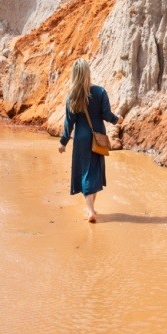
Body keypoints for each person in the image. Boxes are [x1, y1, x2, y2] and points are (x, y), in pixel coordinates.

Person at [58, 58, 122, 222]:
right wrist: (117, 120)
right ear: (88, 72)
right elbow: (106, 115)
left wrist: (63, 142)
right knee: (93, 172)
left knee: (86, 172)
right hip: (97, 138)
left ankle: (91, 210)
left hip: (80, 139)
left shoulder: (72, 95)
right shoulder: (100, 92)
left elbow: (69, 122)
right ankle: (90, 210)